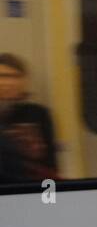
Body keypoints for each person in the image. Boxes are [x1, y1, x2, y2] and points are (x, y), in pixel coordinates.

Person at [0, 53, 58, 185]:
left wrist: (49, 198)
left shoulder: (37, 113)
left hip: (32, 187)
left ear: (23, 81)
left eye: (14, 76)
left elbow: (51, 163)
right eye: (2, 76)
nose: (7, 83)